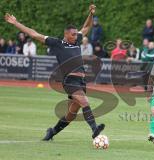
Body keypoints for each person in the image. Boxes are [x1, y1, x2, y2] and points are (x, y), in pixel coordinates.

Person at [4, 5, 105, 141]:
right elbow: (35, 34)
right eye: (73, 34)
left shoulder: (77, 41)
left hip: (81, 82)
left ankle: (52, 132)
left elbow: (86, 27)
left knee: (71, 114)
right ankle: (95, 130)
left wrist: (91, 14)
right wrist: (16, 23)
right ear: (66, 34)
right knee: (84, 101)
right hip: (70, 81)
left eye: (76, 34)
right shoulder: (57, 43)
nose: (76, 36)